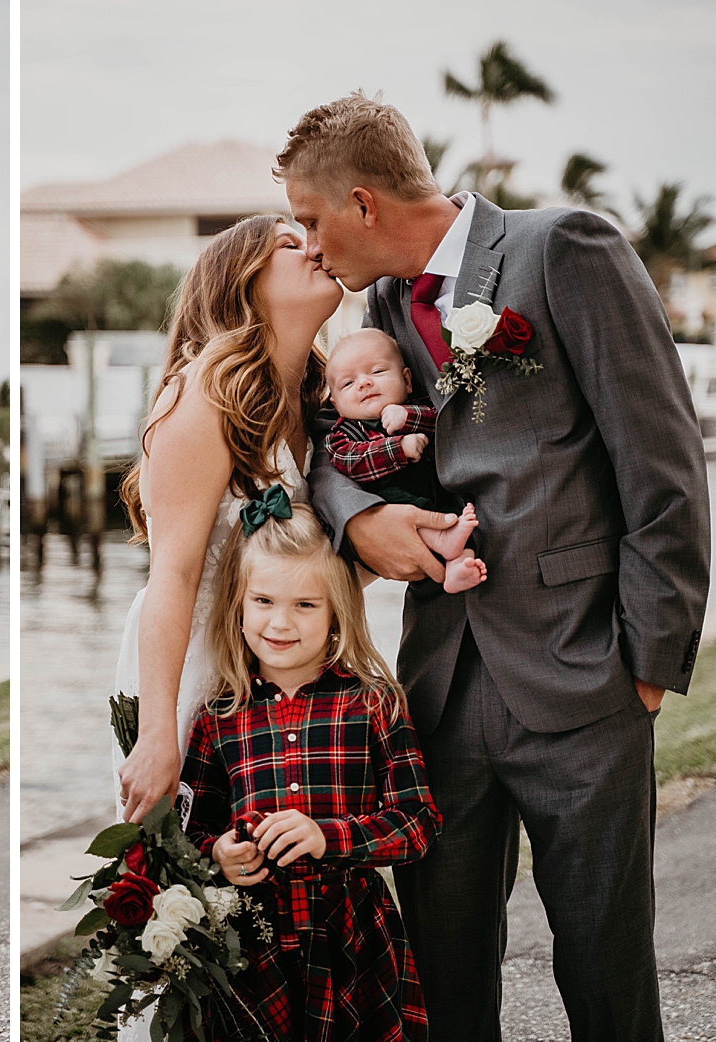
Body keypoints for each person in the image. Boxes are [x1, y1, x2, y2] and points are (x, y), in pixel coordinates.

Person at [281, 92, 710, 1039]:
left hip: (584, 673)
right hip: (441, 686)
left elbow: (664, 462)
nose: (309, 246)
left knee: (605, 972)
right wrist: (364, 519)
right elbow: (331, 446)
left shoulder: (565, 250)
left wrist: (647, 664)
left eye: (311, 221)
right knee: (440, 978)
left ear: (362, 204)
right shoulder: (382, 307)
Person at [111, 214, 344, 1042]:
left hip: (284, 669)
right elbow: (172, 575)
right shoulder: (204, 395)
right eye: (288, 241)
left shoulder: (317, 398)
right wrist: (158, 737)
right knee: (200, 910)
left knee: (281, 895)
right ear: (241, 283)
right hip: (196, 667)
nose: (313, 245)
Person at [183, 500, 439, 1041]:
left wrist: (327, 838)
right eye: (263, 601)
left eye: (305, 604)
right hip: (254, 941)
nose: (280, 622)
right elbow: (193, 829)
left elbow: (417, 823)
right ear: (238, 606)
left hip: (352, 935)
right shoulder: (218, 717)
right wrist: (219, 854)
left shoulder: (373, 703)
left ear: (335, 613)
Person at [322, 328, 484, 593]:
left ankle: (458, 564)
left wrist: (408, 417)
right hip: (396, 502)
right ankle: (444, 544)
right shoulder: (342, 436)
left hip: (442, 492)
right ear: (336, 404)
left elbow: (445, 423)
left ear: (407, 380)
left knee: (458, 515)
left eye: (377, 372)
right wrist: (399, 448)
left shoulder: (422, 406)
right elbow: (352, 461)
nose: (364, 383)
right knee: (407, 510)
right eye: (348, 384)